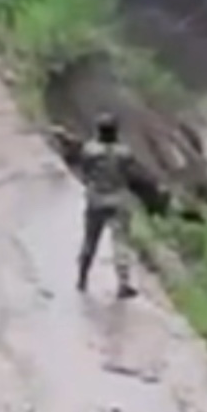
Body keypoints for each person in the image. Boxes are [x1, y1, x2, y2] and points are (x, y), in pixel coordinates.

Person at [69, 112, 145, 298]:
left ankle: (82, 278)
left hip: (95, 199)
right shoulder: (125, 153)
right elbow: (132, 174)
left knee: (90, 241)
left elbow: (84, 171)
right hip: (118, 199)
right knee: (120, 242)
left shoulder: (89, 150)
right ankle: (123, 284)